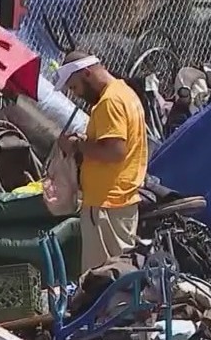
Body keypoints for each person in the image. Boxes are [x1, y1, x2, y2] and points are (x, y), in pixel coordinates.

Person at [55, 51, 148, 271]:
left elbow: (115, 151)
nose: (77, 95)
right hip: (119, 201)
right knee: (120, 272)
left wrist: (77, 145)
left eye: (75, 87)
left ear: (86, 73)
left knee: (101, 277)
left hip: (106, 205)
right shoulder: (124, 92)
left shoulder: (109, 102)